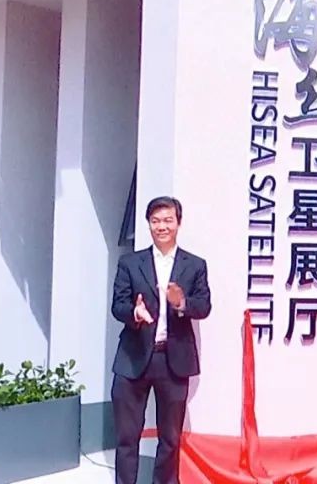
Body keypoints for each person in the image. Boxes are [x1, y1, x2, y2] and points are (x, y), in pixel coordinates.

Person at [111, 196, 212, 484]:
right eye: (156, 221)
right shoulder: (130, 263)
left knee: (170, 438)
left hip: (173, 360)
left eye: (168, 220)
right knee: (127, 437)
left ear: (178, 223)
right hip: (133, 359)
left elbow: (204, 307)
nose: (162, 226)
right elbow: (118, 305)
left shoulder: (195, 265)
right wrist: (134, 313)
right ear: (148, 225)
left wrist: (182, 303)